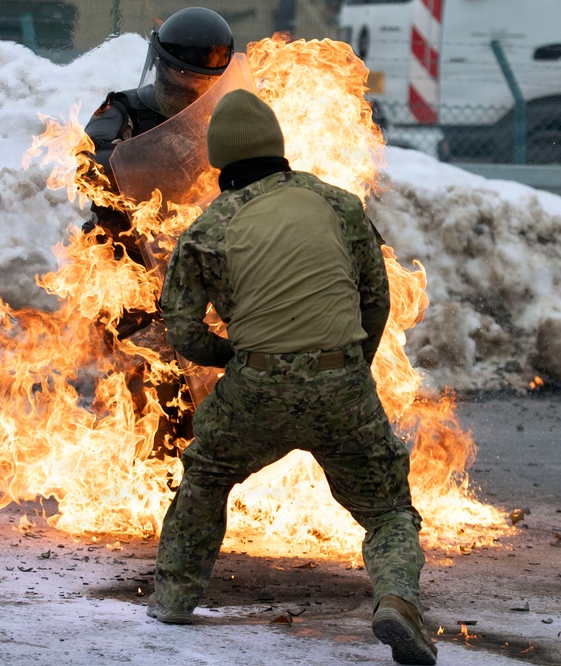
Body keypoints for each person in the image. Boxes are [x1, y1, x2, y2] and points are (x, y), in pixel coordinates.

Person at [146, 89, 438, 665]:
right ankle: (397, 600)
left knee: (206, 477)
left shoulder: (208, 228)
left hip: (254, 386)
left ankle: (175, 599)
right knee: (387, 511)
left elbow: (178, 329)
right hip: (343, 385)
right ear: (278, 148)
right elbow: (374, 299)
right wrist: (346, 363)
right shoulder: (339, 205)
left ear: (220, 160)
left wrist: (232, 356)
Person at [78, 7, 235, 449]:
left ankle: (203, 474)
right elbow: (89, 159)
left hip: (196, 272)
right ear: (158, 67)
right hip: (128, 274)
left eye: (198, 88)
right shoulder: (121, 110)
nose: (184, 98)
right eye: (175, 84)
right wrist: (118, 165)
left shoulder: (223, 125)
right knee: (154, 374)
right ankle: (156, 473)